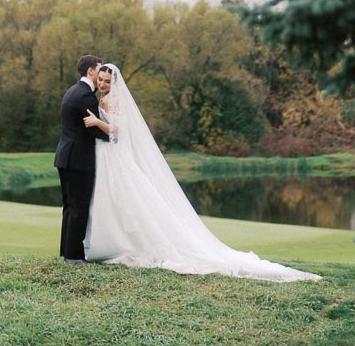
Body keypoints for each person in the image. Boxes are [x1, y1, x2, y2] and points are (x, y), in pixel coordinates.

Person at [82, 63, 320, 282]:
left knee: (126, 199)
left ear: (114, 83)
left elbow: (120, 131)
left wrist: (97, 123)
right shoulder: (107, 99)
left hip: (114, 155)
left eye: (106, 81)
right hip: (111, 156)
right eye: (101, 80)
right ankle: (120, 242)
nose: (102, 85)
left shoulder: (108, 101)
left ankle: (124, 244)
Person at [53, 54, 109, 263]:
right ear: (91, 71)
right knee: (79, 207)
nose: (101, 73)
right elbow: (93, 129)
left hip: (65, 157)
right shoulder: (85, 95)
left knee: (69, 207)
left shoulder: (72, 91)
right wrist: (114, 136)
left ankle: (66, 252)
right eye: (99, 69)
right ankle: (74, 256)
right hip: (79, 160)